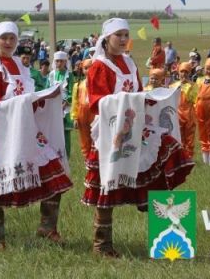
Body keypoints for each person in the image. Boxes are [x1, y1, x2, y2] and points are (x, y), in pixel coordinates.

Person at [82, 18, 194, 257]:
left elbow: (137, 93)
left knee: (169, 151)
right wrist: (126, 102)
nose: (123, 39)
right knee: (108, 184)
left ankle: (169, 239)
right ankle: (102, 245)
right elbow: (96, 102)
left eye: (126, 35)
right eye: (118, 35)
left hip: (137, 126)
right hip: (111, 131)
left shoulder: (130, 63)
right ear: (106, 38)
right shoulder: (99, 66)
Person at [0, 22, 72, 250]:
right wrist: (23, 103)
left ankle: (47, 227)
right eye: (4, 38)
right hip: (3, 133)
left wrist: (44, 98)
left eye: (12, 38)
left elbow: (27, 96)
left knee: (55, 177)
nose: (8, 42)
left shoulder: (20, 65)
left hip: (28, 130)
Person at [47, 51, 75, 158]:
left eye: (61, 61)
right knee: (53, 132)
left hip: (65, 108)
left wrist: (65, 103)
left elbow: (72, 90)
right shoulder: (51, 75)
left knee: (65, 132)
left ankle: (66, 156)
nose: (59, 63)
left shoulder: (69, 75)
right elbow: (46, 89)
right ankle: (54, 155)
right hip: (52, 106)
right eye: (57, 61)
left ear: (65, 62)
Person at [170, 62, 198, 157]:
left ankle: (189, 157)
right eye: (182, 71)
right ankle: (180, 158)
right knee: (179, 136)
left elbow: (194, 99)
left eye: (186, 72)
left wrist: (187, 87)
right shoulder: (173, 86)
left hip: (189, 113)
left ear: (189, 73)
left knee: (189, 136)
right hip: (177, 113)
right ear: (178, 72)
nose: (184, 74)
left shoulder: (194, 86)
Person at [70, 59, 95, 160]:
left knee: (95, 136)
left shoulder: (98, 84)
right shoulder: (78, 85)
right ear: (82, 70)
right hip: (82, 114)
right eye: (86, 68)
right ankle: (87, 159)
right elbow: (75, 102)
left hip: (94, 113)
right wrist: (75, 117)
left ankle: (95, 159)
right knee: (84, 138)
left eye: (91, 68)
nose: (88, 70)